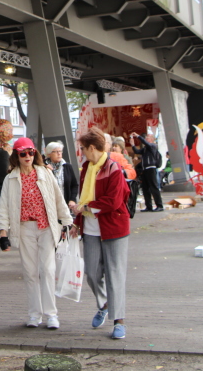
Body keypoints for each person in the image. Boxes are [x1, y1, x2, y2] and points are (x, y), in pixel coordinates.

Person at [0, 138, 72, 329]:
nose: (28, 156)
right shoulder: (10, 179)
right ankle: (34, 314)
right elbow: (4, 207)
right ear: (16, 156)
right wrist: (3, 234)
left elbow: (57, 198)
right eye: (23, 153)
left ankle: (51, 314)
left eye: (30, 152)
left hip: (46, 227)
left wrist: (67, 221)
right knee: (30, 272)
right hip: (24, 229)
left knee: (47, 270)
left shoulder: (45, 174)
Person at [73, 127, 131, 340]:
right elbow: (81, 200)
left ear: (91, 147)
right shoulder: (85, 169)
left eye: (82, 148)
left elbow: (113, 202)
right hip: (91, 229)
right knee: (91, 272)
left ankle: (119, 320)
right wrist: (77, 222)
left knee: (115, 274)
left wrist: (85, 208)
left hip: (114, 227)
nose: (82, 153)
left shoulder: (113, 168)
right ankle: (104, 304)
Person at [130, 132, 163, 212]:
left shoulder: (153, 146)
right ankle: (149, 206)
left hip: (151, 168)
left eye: (148, 137)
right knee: (145, 188)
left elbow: (146, 143)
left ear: (152, 139)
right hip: (145, 169)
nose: (146, 139)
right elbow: (137, 152)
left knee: (153, 187)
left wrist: (138, 136)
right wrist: (133, 145)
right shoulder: (145, 149)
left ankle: (159, 205)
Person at [44, 141, 79, 208]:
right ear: (49, 153)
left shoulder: (67, 166)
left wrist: (72, 200)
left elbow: (74, 185)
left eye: (60, 151)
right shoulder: (44, 167)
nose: (59, 153)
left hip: (65, 204)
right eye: (56, 151)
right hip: (49, 205)